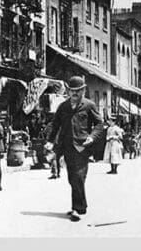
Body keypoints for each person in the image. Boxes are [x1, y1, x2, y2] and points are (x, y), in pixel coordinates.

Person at [45, 76, 103, 222]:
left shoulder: (89, 105)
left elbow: (99, 124)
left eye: (78, 91)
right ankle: (80, 206)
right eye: (72, 91)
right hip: (67, 147)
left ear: (83, 90)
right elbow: (55, 125)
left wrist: (92, 136)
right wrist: (50, 141)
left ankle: (77, 208)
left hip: (82, 147)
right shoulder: (62, 107)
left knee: (78, 176)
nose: (75, 93)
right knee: (73, 178)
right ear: (68, 91)